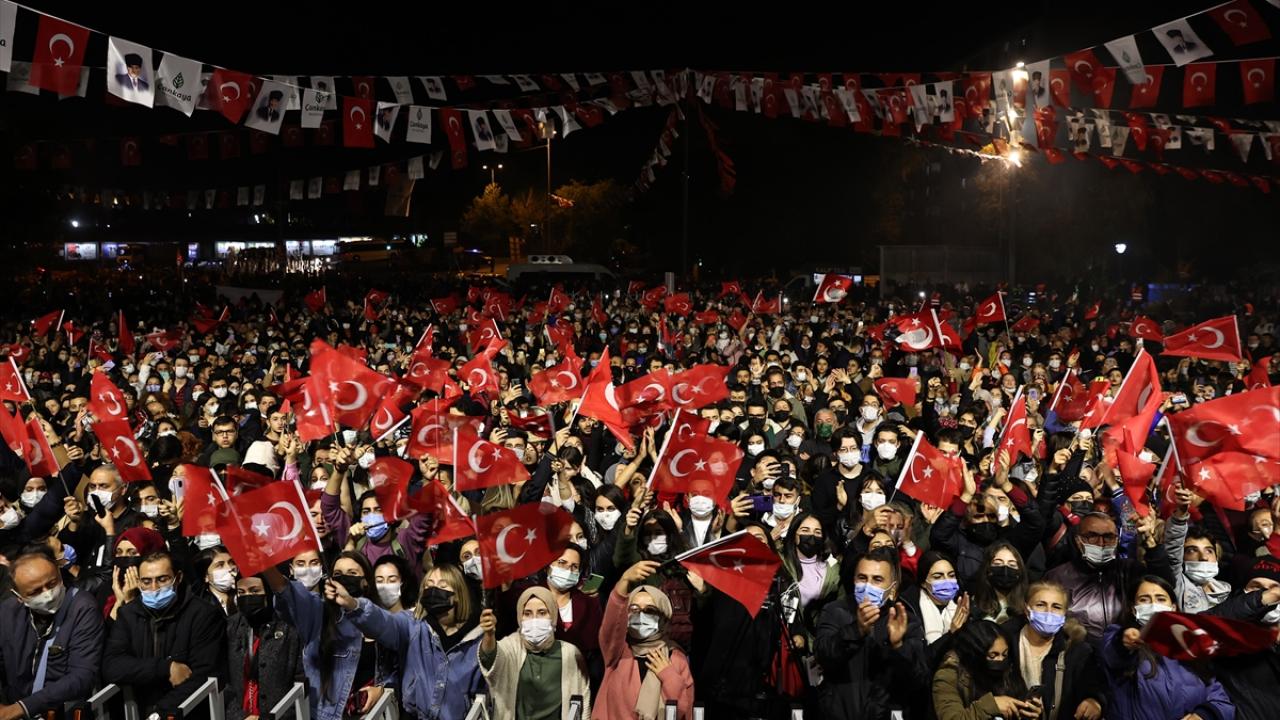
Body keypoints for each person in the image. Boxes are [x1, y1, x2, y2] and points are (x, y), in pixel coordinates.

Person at [327, 563, 485, 720]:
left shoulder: (476, 638)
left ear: (458, 594)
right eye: (429, 585)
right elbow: (383, 623)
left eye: (442, 586)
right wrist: (353, 604)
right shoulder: (412, 625)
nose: (433, 590)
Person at [102, 551, 227, 716]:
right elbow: (112, 666)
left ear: (178, 578)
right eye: (146, 581)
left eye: (162, 579)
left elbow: (204, 675)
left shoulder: (203, 614)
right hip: (140, 707)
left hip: (185, 712)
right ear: (138, 582)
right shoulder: (128, 614)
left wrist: (159, 713)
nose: (154, 588)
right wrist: (165, 668)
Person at [814, 546, 929, 719]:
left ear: (892, 589)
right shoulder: (834, 611)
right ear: (854, 580)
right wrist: (856, 630)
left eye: (877, 579)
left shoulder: (906, 621)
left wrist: (898, 647)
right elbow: (823, 656)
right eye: (862, 578)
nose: (868, 585)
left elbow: (918, 680)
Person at [1100, 575, 1235, 720]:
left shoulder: (1191, 647)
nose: (1153, 604)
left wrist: (1203, 715)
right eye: (1144, 599)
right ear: (1133, 609)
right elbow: (1112, 655)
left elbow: (1220, 699)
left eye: (1161, 599)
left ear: (1173, 607)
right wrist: (1123, 643)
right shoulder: (1118, 637)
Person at [0, 550, 103, 720]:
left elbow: (82, 675)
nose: (47, 594)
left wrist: (21, 708)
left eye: (52, 583)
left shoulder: (82, 607)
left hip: (59, 710)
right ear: (19, 596)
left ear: (59, 574)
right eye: (35, 592)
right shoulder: (8, 612)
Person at [596, 560, 695, 719]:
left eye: (650, 610)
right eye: (634, 609)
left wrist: (668, 675)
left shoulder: (676, 658)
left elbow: (683, 710)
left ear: (663, 617)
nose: (640, 615)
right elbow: (612, 624)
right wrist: (624, 581)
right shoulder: (617, 651)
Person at [478, 586, 592, 718]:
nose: (534, 619)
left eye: (542, 613)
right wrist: (489, 635)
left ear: (553, 616)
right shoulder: (510, 647)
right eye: (527, 614)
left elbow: (583, 702)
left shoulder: (571, 653)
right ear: (520, 618)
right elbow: (489, 659)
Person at [1002, 581, 1104, 720]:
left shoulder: (1077, 650)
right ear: (1027, 610)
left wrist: (1094, 702)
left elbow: (1093, 686)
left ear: (1064, 613)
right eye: (1040, 605)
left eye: (1056, 607)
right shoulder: (1004, 641)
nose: (1048, 612)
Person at [224, 574, 304, 720]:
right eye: (241, 592)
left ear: (268, 592)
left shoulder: (288, 628)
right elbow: (223, 681)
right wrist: (240, 716)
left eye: (254, 591)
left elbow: (300, 681)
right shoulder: (230, 627)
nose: (247, 597)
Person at [932, 620, 1038, 720]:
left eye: (1004, 654)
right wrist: (991, 705)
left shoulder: (1008, 669)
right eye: (993, 655)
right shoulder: (949, 676)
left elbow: (1017, 700)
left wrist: (1028, 712)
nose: (1000, 660)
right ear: (975, 653)